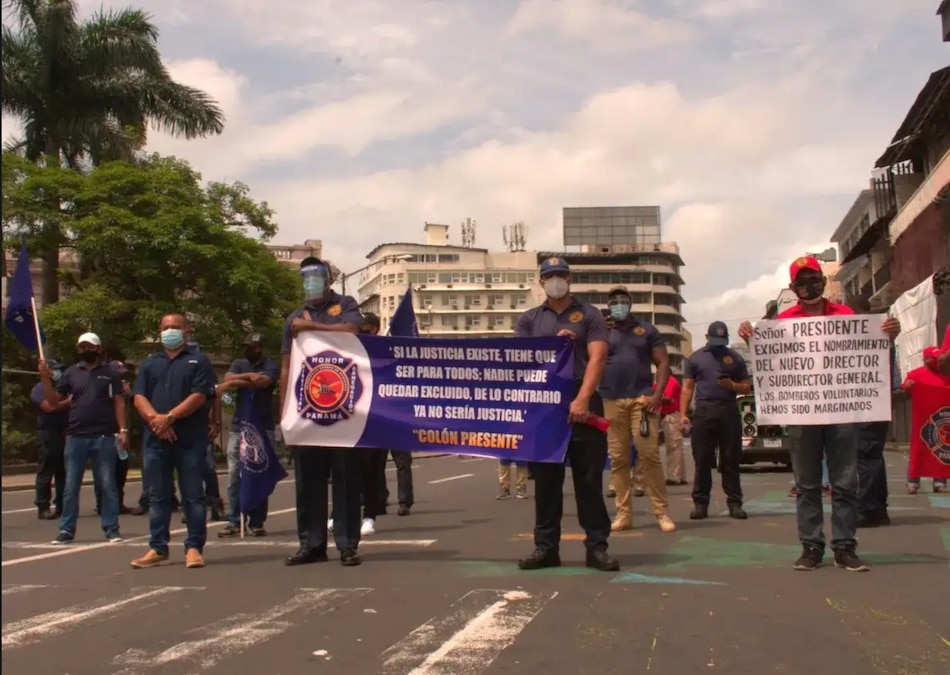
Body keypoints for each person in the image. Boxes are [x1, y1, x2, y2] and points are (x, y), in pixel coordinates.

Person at [738, 255, 901, 572]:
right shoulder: (783, 320)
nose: (809, 284)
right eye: (803, 280)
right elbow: (772, 363)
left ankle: (845, 547)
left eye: (814, 278)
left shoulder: (847, 315)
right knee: (807, 484)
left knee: (844, 482)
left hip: (841, 413)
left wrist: (887, 335)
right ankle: (811, 547)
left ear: (823, 282)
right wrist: (751, 339)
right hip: (802, 415)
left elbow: (868, 353)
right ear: (792, 286)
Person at [513, 257, 618, 572]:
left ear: (569, 279)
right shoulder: (530, 319)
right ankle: (546, 548)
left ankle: (597, 547)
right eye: (550, 276)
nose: (556, 280)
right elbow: (521, 362)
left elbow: (598, 358)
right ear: (541, 282)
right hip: (544, 405)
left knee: (588, 480)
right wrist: (550, 345)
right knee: (546, 482)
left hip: (581, 400)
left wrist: (583, 398)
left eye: (561, 275)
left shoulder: (589, 315)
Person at [280, 256, 364, 567]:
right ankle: (312, 544)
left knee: (345, 481)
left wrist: (310, 326)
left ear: (327, 278)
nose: (311, 280)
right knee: (308, 482)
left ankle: (346, 544)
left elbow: (352, 330)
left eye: (316, 274)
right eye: (306, 276)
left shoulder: (345, 304)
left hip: (343, 409)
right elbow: (287, 367)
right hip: (307, 411)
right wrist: (284, 415)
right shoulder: (292, 317)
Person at [129, 313, 217, 569]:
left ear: (186, 331)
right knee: (158, 496)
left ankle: (193, 548)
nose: (170, 332)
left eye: (175, 327)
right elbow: (138, 397)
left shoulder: (198, 361)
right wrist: (156, 421)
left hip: (190, 440)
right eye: (166, 328)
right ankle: (157, 548)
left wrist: (169, 418)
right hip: (156, 441)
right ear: (160, 331)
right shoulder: (149, 364)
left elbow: (200, 396)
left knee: (193, 496)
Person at [599, 285, 676, 533]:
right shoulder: (602, 331)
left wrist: (657, 395)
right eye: (613, 301)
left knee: (649, 455)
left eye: (623, 300)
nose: (618, 304)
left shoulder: (646, 330)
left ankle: (661, 512)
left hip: (641, 401)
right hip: (611, 400)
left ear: (630, 303)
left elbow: (663, 361)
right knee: (619, 459)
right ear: (608, 305)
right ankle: (624, 514)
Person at [38, 333, 127, 545]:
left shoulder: (110, 372)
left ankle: (111, 529)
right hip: (76, 435)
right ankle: (67, 530)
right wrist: (44, 378)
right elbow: (52, 401)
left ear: (98, 348)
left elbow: (119, 402)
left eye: (89, 346)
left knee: (107, 484)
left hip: (104, 435)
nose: (85, 349)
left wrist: (122, 430)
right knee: (70, 485)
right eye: (81, 346)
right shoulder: (71, 373)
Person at [680, 321, 750, 521]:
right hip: (704, 410)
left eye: (722, 340)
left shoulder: (735, 358)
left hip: (728, 409)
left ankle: (735, 503)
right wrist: (683, 414)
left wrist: (733, 386)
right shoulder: (695, 358)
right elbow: (687, 388)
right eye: (715, 339)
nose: (719, 343)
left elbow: (746, 387)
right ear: (707, 337)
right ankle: (701, 504)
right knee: (702, 459)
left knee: (730, 459)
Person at [216, 333, 280, 537]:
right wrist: (247, 377)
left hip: (262, 426)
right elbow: (227, 378)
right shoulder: (239, 363)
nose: (247, 350)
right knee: (234, 474)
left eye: (251, 347)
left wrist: (236, 381)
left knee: (259, 472)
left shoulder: (272, 364)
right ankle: (234, 520)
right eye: (246, 347)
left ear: (259, 348)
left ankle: (257, 520)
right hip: (239, 425)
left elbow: (262, 381)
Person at [354, 313, 389, 535]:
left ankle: (370, 515)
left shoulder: (383, 353)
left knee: (372, 469)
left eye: (366, 329)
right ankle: (337, 514)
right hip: (352, 417)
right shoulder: (350, 352)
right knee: (347, 470)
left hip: (377, 418)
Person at [902, 346, 948, 494]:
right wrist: (907, 386)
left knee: (942, 449)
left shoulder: (946, 374)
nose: (938, 362)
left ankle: (940, 481)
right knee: (918, 448)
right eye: (935, 359)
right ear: (926, 359)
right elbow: (905, 388)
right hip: (922, 419)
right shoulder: (916, 374)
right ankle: (913, 481)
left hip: (942, 420)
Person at [31, 359, 69, 520]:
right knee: (47, 469)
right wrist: (69, 402)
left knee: (63, 470)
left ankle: (61, 504)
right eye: (55, 370)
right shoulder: (39, 389)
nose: (58, 373)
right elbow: (49, 407)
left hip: (64, 431)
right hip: (48, 432)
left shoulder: (62, 389)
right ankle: (43, 505)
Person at [655, 375, 687, 486]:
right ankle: (680, 475)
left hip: (672, 416)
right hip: (667, 415)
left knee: (673, 447)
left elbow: (667, 398)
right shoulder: (663, 381)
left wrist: (653, 397)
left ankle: (674, 476)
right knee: (676, 447)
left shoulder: (669, 381)